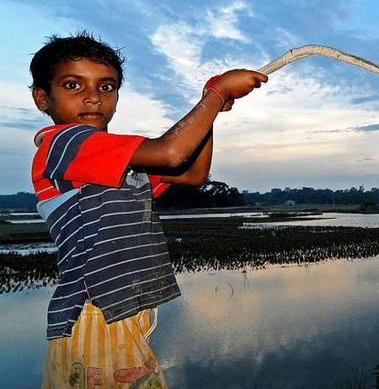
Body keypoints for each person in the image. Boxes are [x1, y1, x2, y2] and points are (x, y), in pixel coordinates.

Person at [29, 31, 267, 388]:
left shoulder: (116, 160)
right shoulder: (63, 143)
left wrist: (210, 107)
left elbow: (191, 173)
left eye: (106, 87)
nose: (93, 98)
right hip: (94, 315)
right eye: (73, 85)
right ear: (42, 98)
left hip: (122, 313)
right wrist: (216, 96)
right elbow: (172, 151)